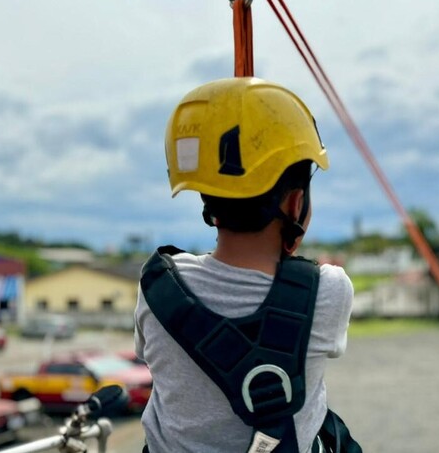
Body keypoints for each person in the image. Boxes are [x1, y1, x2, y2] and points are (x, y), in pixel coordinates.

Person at [134, 77, 359, 452]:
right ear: (295, 203)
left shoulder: (158, 287)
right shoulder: (328, 291)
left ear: (207, 199)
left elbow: (148, 357)